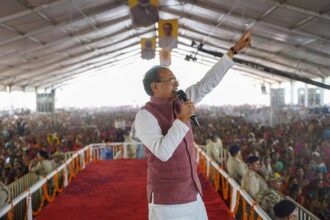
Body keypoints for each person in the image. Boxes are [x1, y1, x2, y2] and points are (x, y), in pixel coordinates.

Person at [135, 30, 252, 219]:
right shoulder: (145, 115)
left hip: (193, 193)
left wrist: (234, 50)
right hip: (168, 201)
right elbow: (163, 152)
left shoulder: (181, 101)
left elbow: (208, 82)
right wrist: (182, 120)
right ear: (154, 87)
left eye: (175, 79)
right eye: (170, 80)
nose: (176, 83)